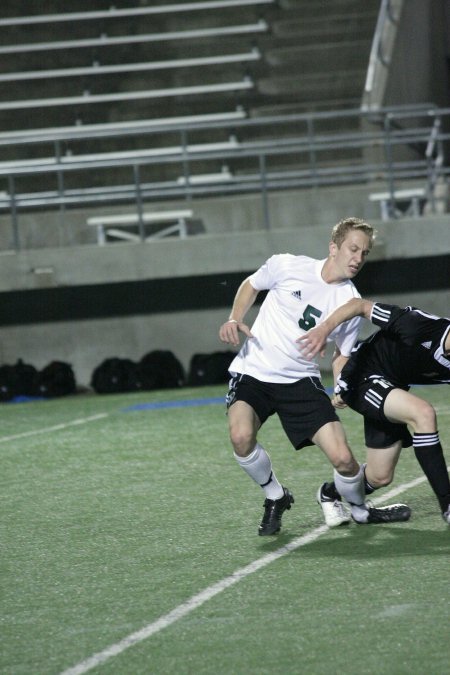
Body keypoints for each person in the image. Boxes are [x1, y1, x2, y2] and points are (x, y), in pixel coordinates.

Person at [219, 217, 409, 536]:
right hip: (253, 372)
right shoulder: (287, 265)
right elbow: (251, 284)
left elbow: (343, 353)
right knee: (240, 437)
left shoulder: (350, 301)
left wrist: (341, 385)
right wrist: (235, 318)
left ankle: (361, 511)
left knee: (345, 460)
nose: (358, 258)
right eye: (353, 249)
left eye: (364, 253)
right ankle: (275, 496)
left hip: (301, 381)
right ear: (333, 247)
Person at [297, 298, 450, 525]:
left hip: (392, 387)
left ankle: (330, 493)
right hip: (363, 377)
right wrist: (324, 331)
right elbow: (358, 305)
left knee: (380, 476)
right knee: (423, 413)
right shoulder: (417, 324)